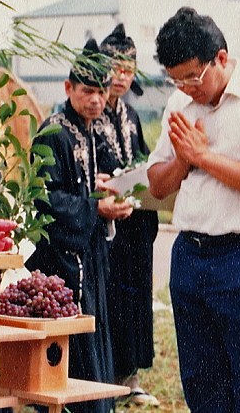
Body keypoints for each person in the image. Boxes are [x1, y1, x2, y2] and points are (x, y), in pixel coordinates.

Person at [147, 7, 240, 413]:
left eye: (194, 77)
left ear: (222, 57)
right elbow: (159, 185)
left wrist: (202, 156)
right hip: (191, 256)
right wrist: (183, 161)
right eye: (175, 79)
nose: (187, 88)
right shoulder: (179, 103)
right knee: (202, 383)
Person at [26, 39, 134, 413]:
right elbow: (44, 198)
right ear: (68, 88)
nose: (96, 100)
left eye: (101, 92)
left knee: (95, 335)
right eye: (87, 91)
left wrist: (110, 193)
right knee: (68, 343)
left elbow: (98, 182)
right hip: (61, 260)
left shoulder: (94, 131)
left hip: (90, 255)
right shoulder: (52, 133)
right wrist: (95, 207)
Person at [92, 24, 159, 407]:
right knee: (111, 299)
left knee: (136, 299)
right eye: (114, 67)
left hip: (135, 223)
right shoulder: (91, 109)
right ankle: (109, 375)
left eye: (128, 69)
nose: (121, 77)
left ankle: (131, 375)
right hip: (106, 222)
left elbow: (143, 159)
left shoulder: (132, 115)